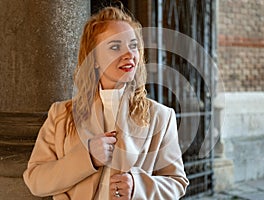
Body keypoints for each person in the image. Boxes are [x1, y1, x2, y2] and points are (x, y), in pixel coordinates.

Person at [23, 5, 189, 200]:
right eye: (115, 46)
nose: (129, 54)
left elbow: (177, 183)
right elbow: (35, 181)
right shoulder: (61, 114)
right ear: (93, 58)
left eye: (133, 45)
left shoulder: (161, 116)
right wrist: (88, 158)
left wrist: (138, 186)